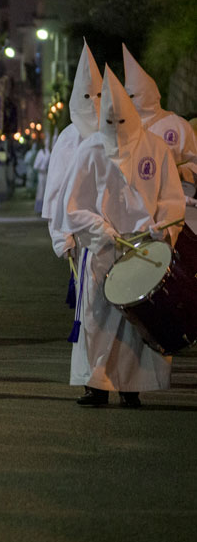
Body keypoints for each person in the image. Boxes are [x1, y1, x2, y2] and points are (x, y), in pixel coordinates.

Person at [62, 67, 183, 408]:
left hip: (143, 247)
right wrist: (101, 229)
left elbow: (170, 198)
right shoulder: (91, 150)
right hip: (103, 247)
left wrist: (162, 229)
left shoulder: (155, 148)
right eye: (109, 123)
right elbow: (73, 205)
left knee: (139, 323)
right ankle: (97, 384)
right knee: (98, 318)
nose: (116, 131)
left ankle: (133, 385)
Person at [122, 45, 197, 232]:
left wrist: (180, 172)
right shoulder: (121, 129)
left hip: (178, 212)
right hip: (134, 214)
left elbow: (194, 162)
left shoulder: (178, 125)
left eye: (135, 95)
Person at [42, 43, 103, 258]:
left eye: (99, 95)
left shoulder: (115, 133)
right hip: (81, 235)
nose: (94, 103)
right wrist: (61, 238)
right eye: (87, 97)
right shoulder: (68, 139)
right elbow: (56, 191)